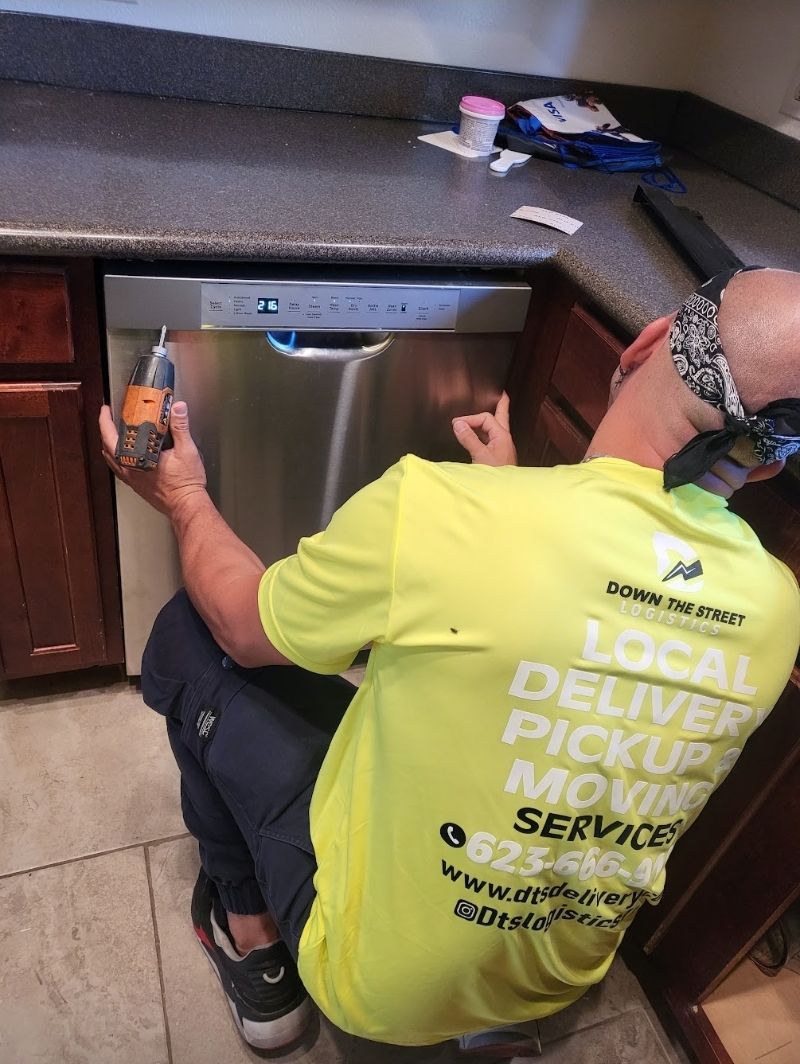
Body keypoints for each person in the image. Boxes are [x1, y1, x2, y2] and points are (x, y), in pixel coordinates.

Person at [100, 266, 800, 1059]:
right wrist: (504, 491)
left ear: (642, 347)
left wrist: (186, 498)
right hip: (552, 978)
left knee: (189, 639)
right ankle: (493, 1018)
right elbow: (606, 630)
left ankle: (254, 941)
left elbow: (241, 624)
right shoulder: (778, 612)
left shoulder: (440, 514)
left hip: (381, 989)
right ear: (773, 459)